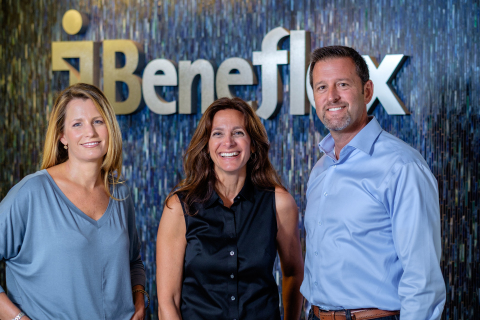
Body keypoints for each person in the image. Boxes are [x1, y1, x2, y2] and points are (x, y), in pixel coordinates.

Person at [301, 46, 446, 320]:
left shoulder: (402, 166)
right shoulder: (321, 169)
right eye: (321, 87)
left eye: (342, 84)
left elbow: (422, 278)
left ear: (367, 91)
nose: (331, 96)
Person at [0, 83, 147, 320]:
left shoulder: (120, 193)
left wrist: (139, 298)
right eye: (77, 124)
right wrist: (18, 319)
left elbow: (133, 261)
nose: (90, 132)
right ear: (62, 136)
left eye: (98, 121)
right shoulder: (32, 192)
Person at [156, 97, 304, 320]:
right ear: (206, 145)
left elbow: (293, 272)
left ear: (252, 144)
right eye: (218, 133)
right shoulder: (179, 207)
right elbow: (168, 301)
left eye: (238, 133)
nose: (228, 143)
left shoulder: (279, 203)